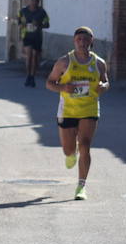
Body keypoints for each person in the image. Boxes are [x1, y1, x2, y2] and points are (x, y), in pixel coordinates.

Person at [46, 26, 109, 200]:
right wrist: (63, 87)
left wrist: (103, 87)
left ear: (91, 42)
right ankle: (70, 153)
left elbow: (105, 82)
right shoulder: (64, 62)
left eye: (85, 39)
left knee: (85, 145)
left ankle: (81, 186)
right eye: (79, 40)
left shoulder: (99, 63)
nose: (82, 43)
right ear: (74, 42)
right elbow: (49, 83)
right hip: (68, 110)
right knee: (68, 150)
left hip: (89, 108)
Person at [16, 0, 50, 86]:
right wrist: (22, 25)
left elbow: (47, 24)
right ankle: (28, 76)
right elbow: (18, 21)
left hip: (37, 36)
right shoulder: (23, 11)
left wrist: (38, 24)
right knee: (29, 55)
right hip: (27, 35)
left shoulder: (42, 12)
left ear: (38, 2)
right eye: (32, 0)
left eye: (36, 0)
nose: (34, 2)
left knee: (35, 57)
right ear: (29, 0)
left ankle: (32, 76)